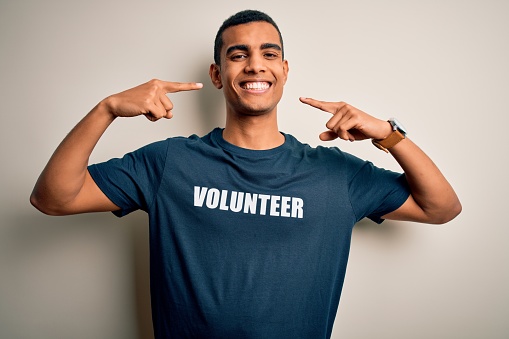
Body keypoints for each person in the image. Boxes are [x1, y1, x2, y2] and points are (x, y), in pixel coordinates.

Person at [30, 9, 461, 339]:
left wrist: (389, 135)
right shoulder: (169, 163)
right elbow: (54, 198)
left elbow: (441, 207)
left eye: (268, 54)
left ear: (284, 72)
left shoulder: (336, 174)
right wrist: (105, 109)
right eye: (239, 55)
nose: (255, 65)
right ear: (218, 75)